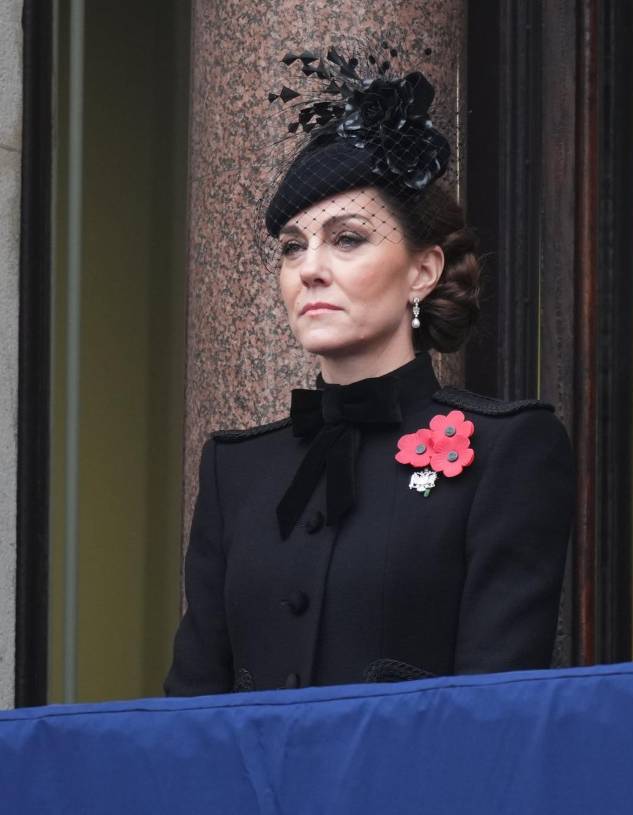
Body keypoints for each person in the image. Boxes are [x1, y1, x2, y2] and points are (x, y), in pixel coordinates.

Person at [165, 45, 575, 695]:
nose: (310, 268)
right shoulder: (235, 470)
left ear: (423, 270)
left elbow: (495, 710)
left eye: (347, 238)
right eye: (293, 247)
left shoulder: (509, 450)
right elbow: (189, 706)